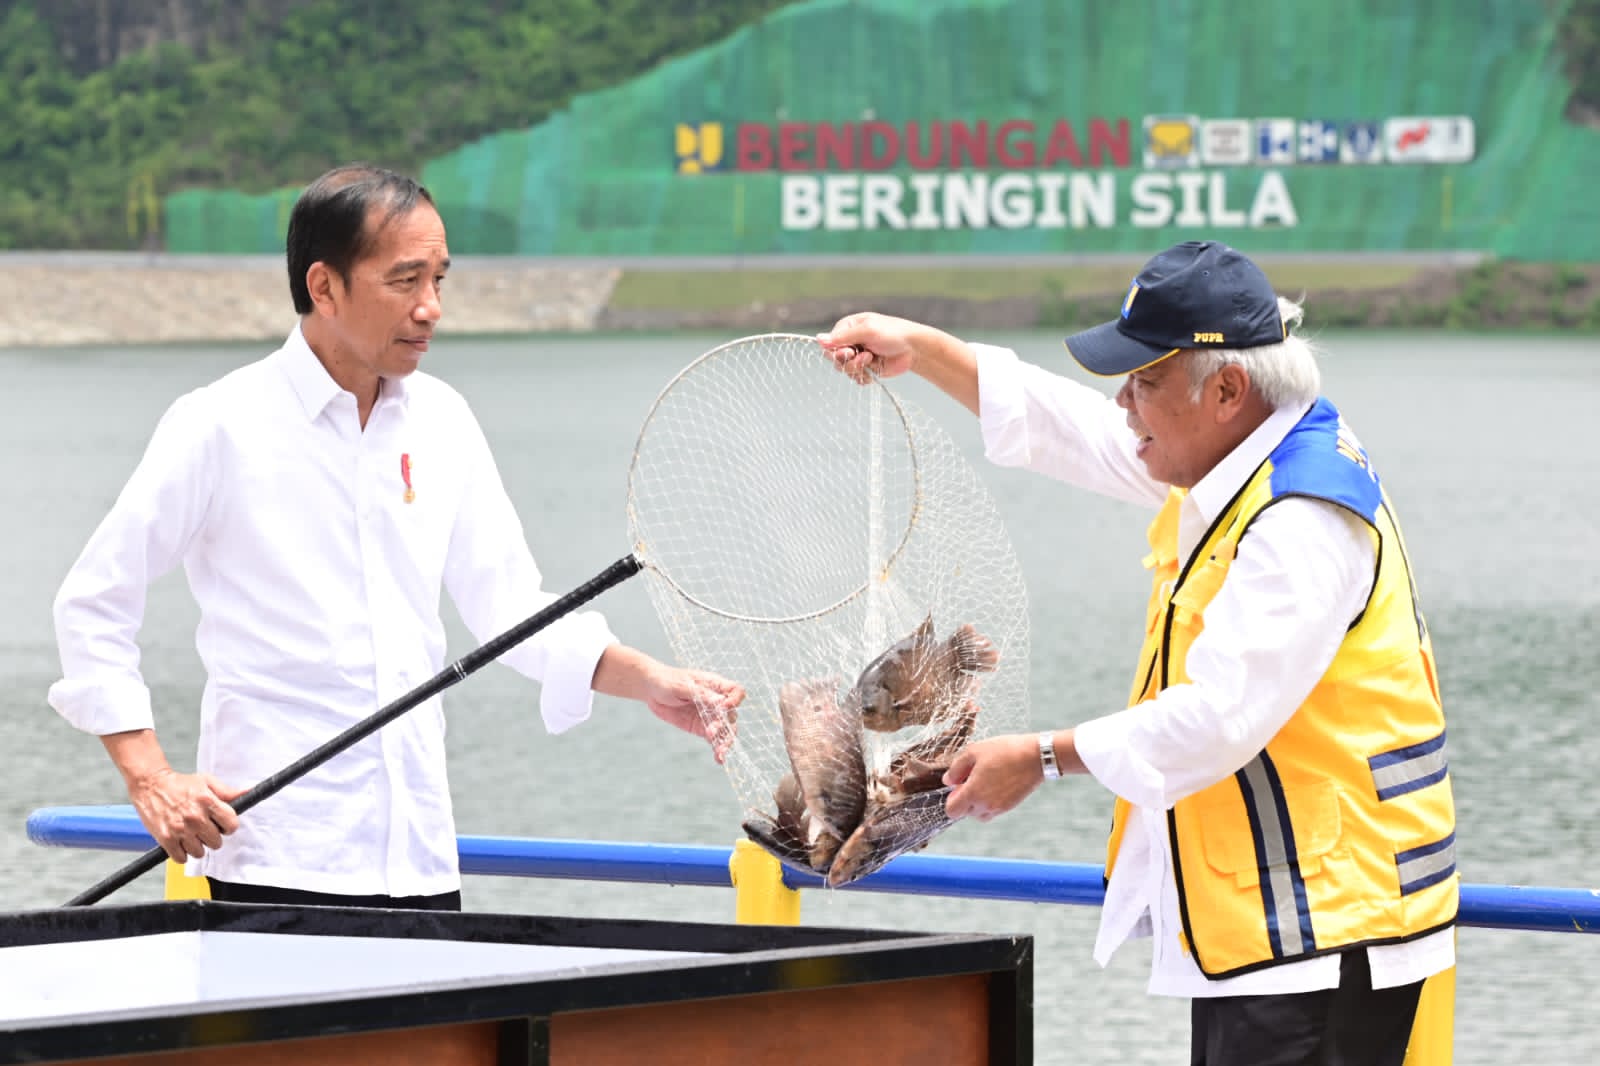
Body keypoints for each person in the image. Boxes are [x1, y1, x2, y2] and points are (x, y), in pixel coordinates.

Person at [820, 241, 1455, 1066]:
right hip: (1277, 926)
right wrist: (925, 348)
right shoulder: (1244, 452)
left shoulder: (1301, 517)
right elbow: (1077, 431)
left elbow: (1218, 719)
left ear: (1226, 389)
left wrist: (1041, 758)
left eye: (1145, 381)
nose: (1123, 402)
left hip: (1324, 936)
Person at [49, 164, 742, 911]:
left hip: (419, 860)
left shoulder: (443, 419)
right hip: (276, 858)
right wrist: (151, 776)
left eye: (438, 280)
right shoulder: (219, 423)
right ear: (324, 286)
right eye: (404, 280)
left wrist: (651, 681)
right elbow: (93, 603)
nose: (430, 307)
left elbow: (511, 606)